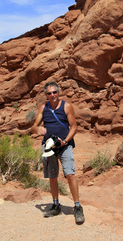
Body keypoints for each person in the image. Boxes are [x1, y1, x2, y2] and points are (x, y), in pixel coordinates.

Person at [32, 81, 85, 225]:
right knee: (53, 177)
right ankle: (55, 205)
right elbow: (34, 126)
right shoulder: (44, 107)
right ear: (46, 95)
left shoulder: (66, 106)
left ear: (58, 92)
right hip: (49, 147)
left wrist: (65, 141)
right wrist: (38, 130)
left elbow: (74, 127)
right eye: (49, 93)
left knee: (70, 174)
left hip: (65, 145)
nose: (52, 95)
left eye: (54, 92)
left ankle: (77, 206)